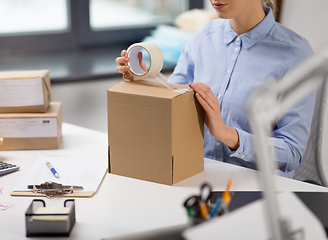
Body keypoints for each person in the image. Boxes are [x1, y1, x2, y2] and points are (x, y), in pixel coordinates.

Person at [115, 0, 314, 178]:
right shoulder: (204, 36)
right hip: (198, 174)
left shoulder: (295, 53)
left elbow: (292, 153)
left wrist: (227, 134)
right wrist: (143, 80)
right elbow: (173, 98)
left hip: (259, 191)